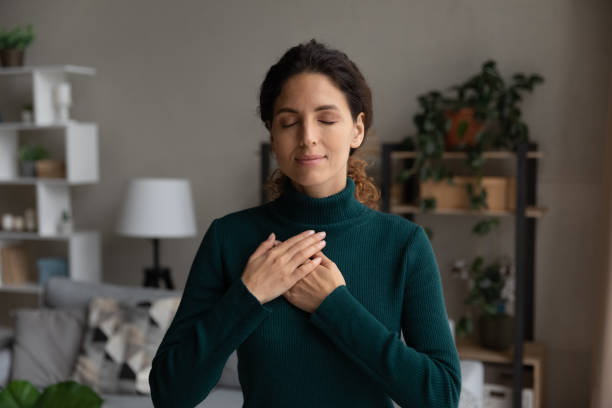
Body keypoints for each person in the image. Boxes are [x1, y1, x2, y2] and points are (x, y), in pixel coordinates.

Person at [149, 39, 461, 408]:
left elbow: (441, 396)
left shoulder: (403, 244)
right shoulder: (229, 239)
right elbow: (169, 394)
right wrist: (248, 295)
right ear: (272, 135)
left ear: (357, 130)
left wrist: (335, 306)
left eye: (327, 119)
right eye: (289, 122)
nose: (308, 137)